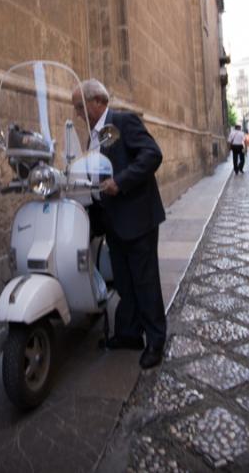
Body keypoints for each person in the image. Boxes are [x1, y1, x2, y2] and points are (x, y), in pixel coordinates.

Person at [72, 79, 167, 369]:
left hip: (138, 218)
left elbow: (152, 154)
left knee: (145, 282)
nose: (77, 113)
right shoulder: (93, 138)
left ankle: (155, 341)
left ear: (96, 101)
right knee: (124, 282)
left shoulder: (124, 121)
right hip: (114, 223)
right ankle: (129, 334)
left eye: (79, 106)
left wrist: (120, 182)